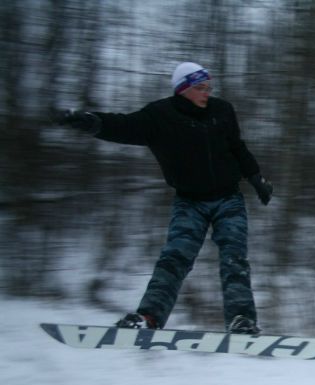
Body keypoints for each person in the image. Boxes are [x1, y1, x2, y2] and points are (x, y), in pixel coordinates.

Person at [56, 62, 273, 334]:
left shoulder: (222, 110)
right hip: (189, 201)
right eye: (200, 87)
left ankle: (242, 320)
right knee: (174, 258)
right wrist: (92, 122)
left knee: (234, 257)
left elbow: (237, 147)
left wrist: (256, 178)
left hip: (228, 198)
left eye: (209, 87)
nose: (207, 92)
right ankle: (149, 318)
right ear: (183, 89)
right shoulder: (159, 116)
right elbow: (123, 125)